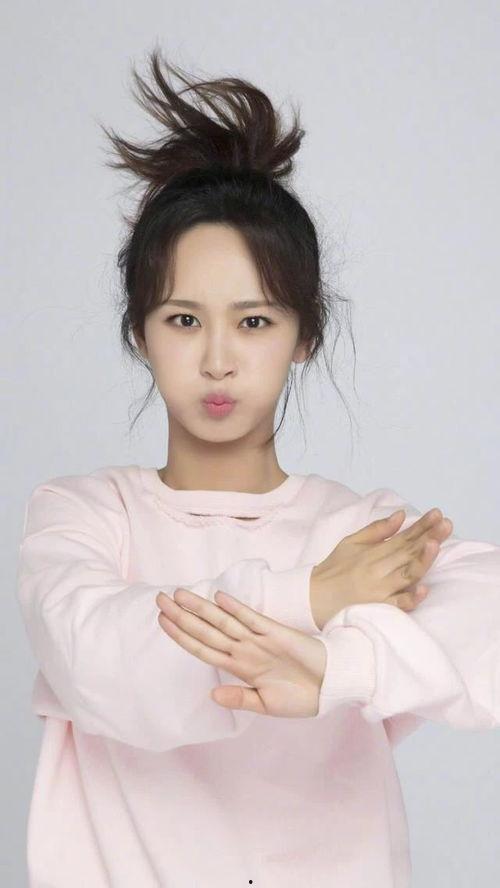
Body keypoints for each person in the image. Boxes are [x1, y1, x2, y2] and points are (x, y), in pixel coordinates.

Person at [16, 46, 500, 888]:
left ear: (304, 335)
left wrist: (338, 669)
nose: (217, 361)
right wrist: (312, 599)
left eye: (253, 322)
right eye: (182, 320)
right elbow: (98, 655)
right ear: (139, 333)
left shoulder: (358, 533)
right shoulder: (85, 515)